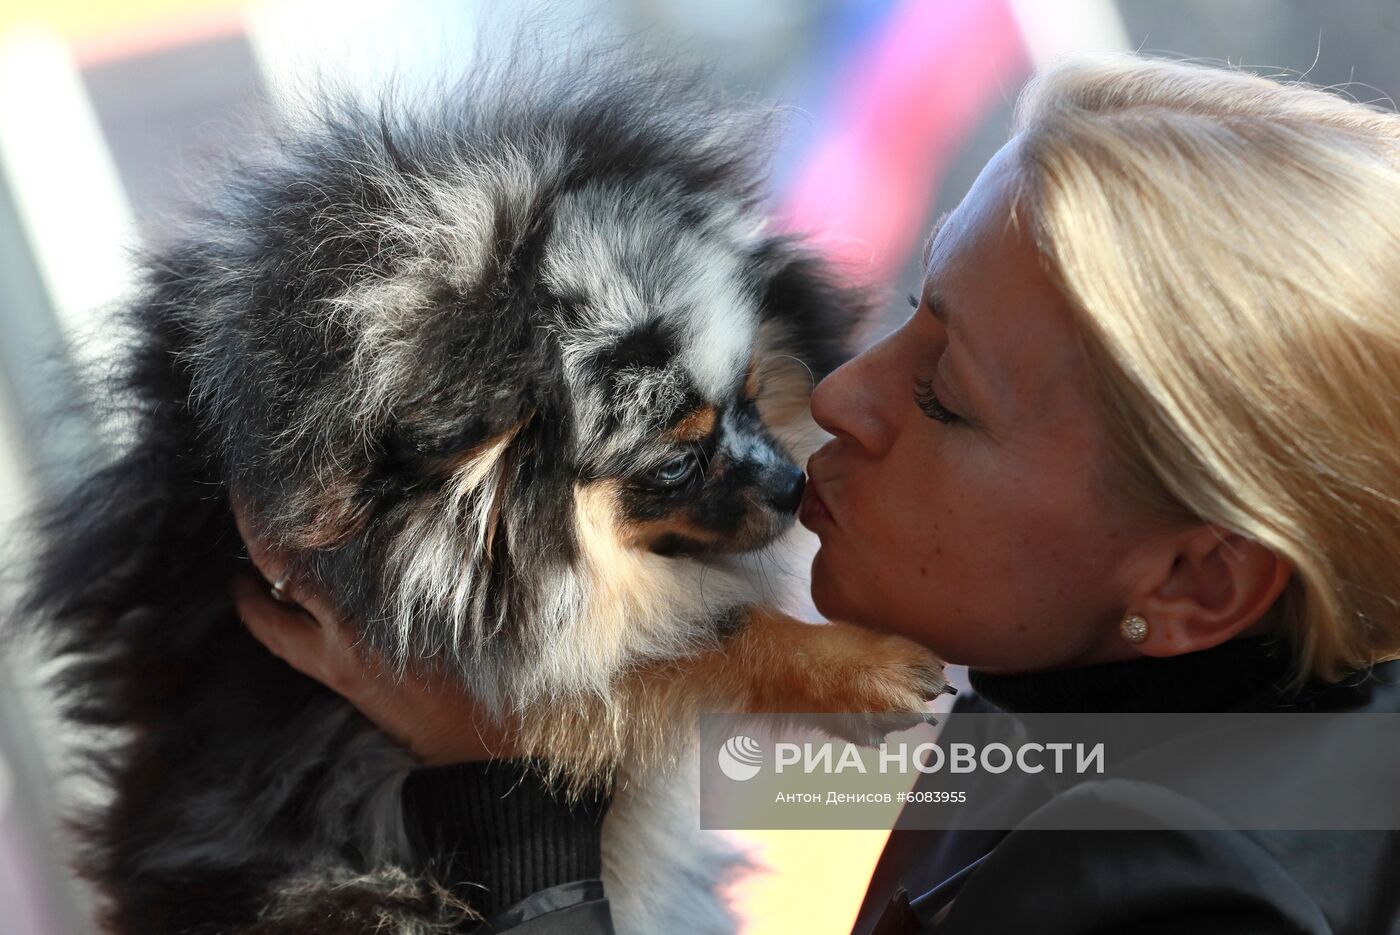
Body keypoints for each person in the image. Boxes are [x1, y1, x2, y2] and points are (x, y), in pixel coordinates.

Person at [233, 54, 1400, 934]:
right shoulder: (1192, 717)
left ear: (1197, 579)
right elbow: (857, 766)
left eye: (944, 394)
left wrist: (505, 781)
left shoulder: (1183, 901)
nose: (840, 394)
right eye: (910, 312)